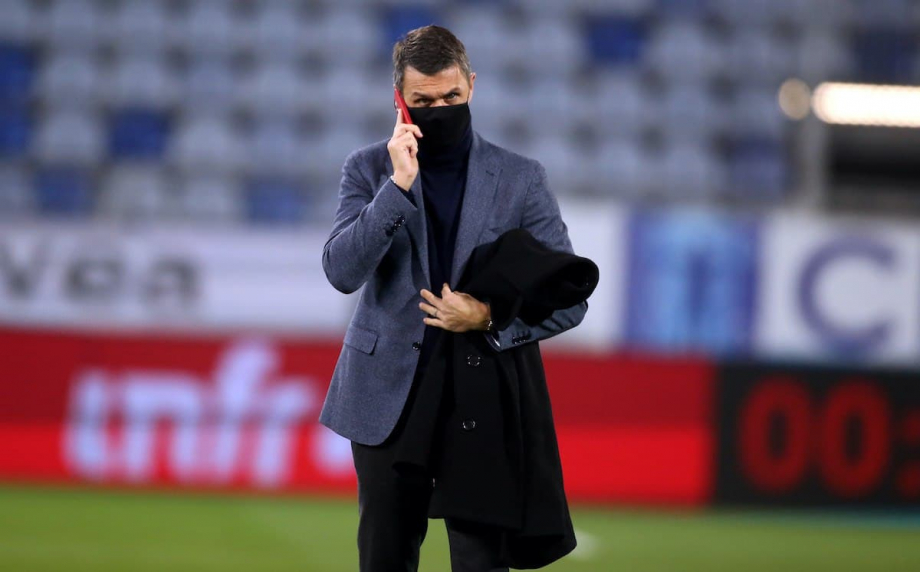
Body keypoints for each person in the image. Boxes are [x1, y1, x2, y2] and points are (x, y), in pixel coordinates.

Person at [319, 25, 588, 572]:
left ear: (472, 85)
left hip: (483, 397)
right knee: (384, 557)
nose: (440, 109)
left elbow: (570, 297)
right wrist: (396, 187)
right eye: (424, 102)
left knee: (480, 561)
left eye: (452, 97)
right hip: (388, 396)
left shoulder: (521, 179)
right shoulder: (368, 168)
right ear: (399, 99)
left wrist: (488, 318)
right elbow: (342, 272)